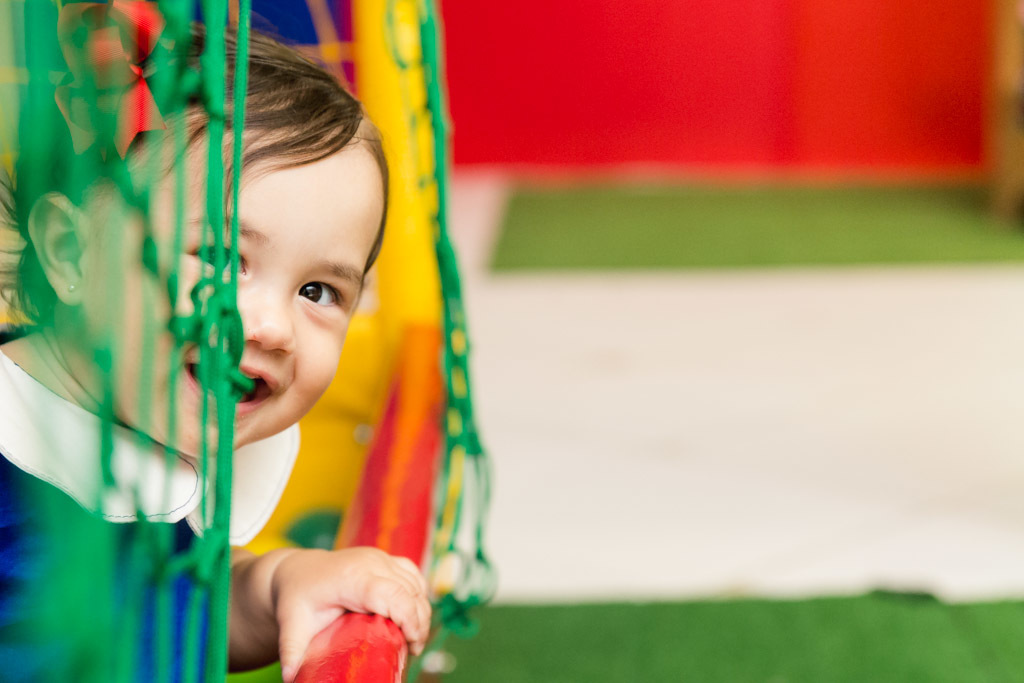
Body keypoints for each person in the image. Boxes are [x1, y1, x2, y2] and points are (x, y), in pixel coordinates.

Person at [0, 12, 429, 682]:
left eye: (317, 291)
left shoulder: (172, 431)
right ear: (70, 250)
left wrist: (279, 581)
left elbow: (171, 613)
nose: (274, 327)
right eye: (224, 258)